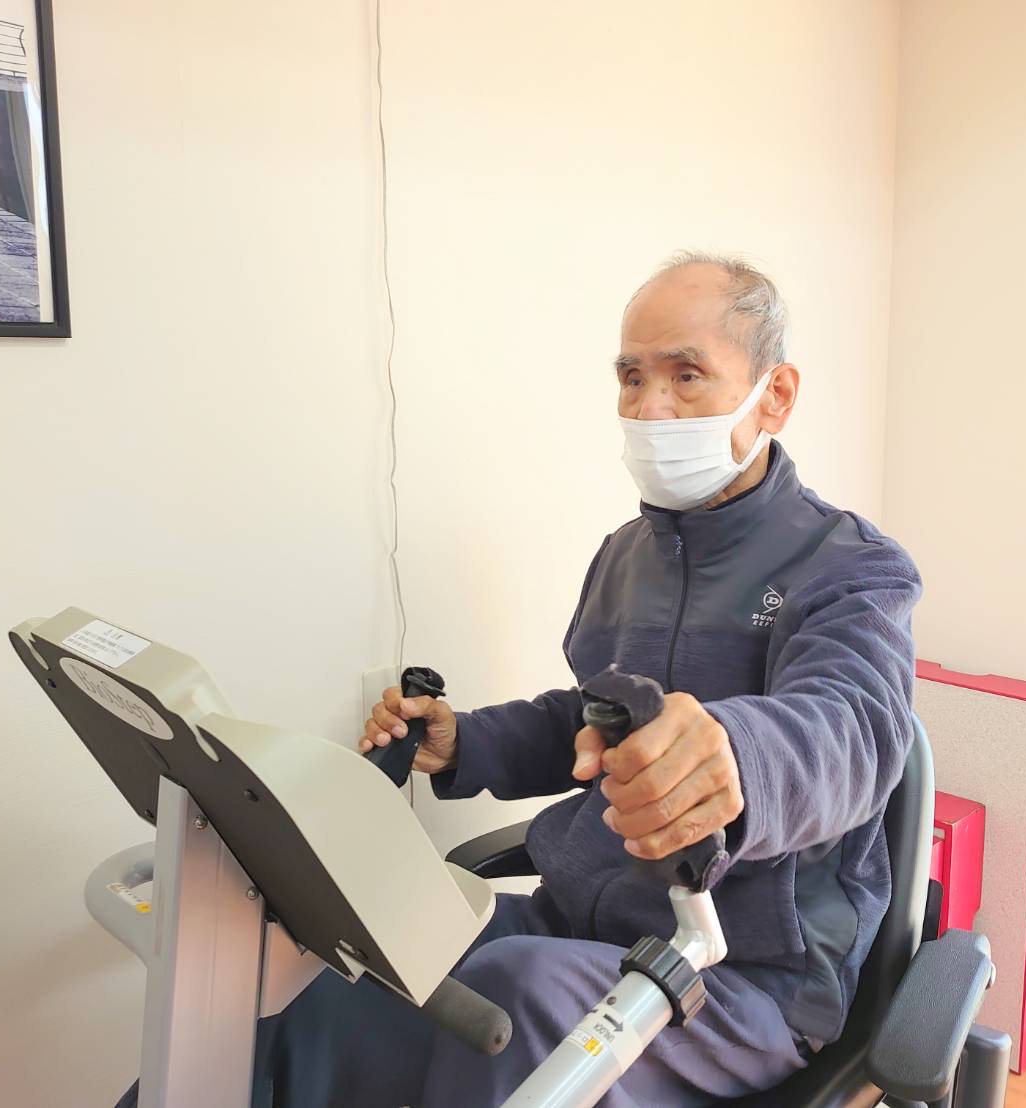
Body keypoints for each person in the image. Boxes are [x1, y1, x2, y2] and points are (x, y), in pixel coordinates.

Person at [259, 252, 922, 1107]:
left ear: (775, 395)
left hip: (741, 977)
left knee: (513, 998)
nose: (650, 408)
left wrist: (731, 754)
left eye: (686, 375)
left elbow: (855, 729)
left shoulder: (850, 567)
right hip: (578, 925)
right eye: (631, 377)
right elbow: (584, 719)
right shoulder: (625, 557)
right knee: (353, 962)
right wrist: (466, 741)